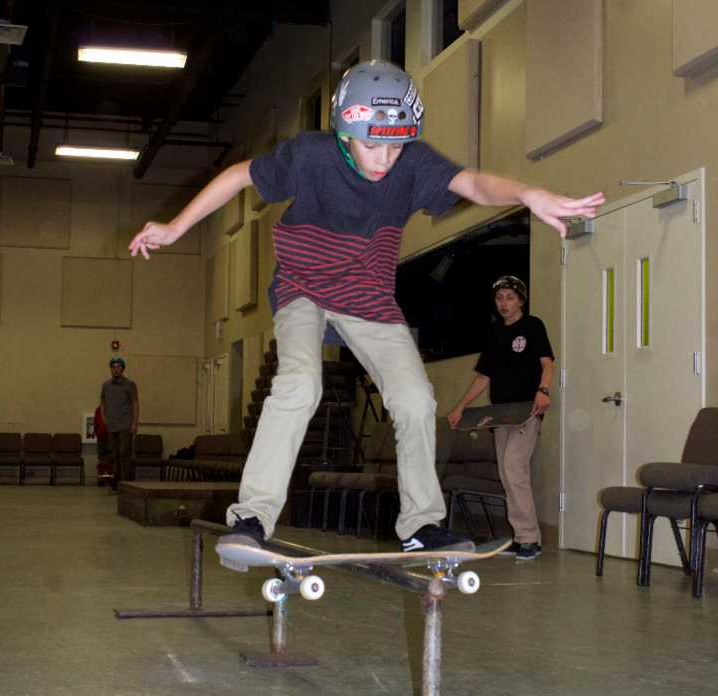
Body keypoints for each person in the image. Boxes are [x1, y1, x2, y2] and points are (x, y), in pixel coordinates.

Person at [129, 60, 603, 555]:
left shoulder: (414, 163)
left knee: (416, 400)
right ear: (345, 133)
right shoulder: (310, 154)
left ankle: (420, 525)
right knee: (299, 385)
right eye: (371, 145)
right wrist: (174, 227)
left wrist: (528, 193)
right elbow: (237, 175)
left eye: (394, 146)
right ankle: (251, 517)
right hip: (302, 288)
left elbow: (475, 185)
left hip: (369, 297)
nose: (383, 160)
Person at [447, 276, 553, 560]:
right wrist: (461, 406)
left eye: (510, 297)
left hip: (526, 410)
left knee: (514, 466)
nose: (504, 304)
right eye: (499, 298)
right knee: (507, 474)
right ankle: (520, 538)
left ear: (520, 300)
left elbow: (547, 363)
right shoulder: (495, 332)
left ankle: (530, 538)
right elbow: (485, 375)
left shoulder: (533, 326)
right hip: (500, 413)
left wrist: (543, 391)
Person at [100, 357, 139, 492]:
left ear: (122, 369)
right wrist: (104, 418)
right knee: (114, 456)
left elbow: (135, 403)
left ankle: (126, 485)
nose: (115, 369)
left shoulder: (130, 384)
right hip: (112, 426)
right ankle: (115, 485)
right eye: (113, 367)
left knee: (124, 454)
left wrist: (134, 424)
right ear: (110, 369)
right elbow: (103, 402)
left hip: (126, 426)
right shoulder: (106, 385)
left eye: (118, 367)